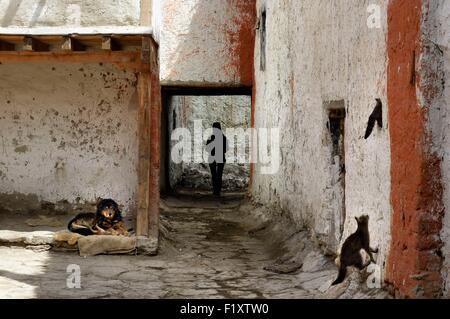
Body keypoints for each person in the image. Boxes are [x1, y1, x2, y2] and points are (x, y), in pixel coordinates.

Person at [206, 122, 228, 196]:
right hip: (221, 157)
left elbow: (207, 149)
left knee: (214, 175)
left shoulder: (210, 137)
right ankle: (218, 191)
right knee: (219, 174)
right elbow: (226, 149)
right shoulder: (223, 137)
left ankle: (215, 190)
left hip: (212, 157)